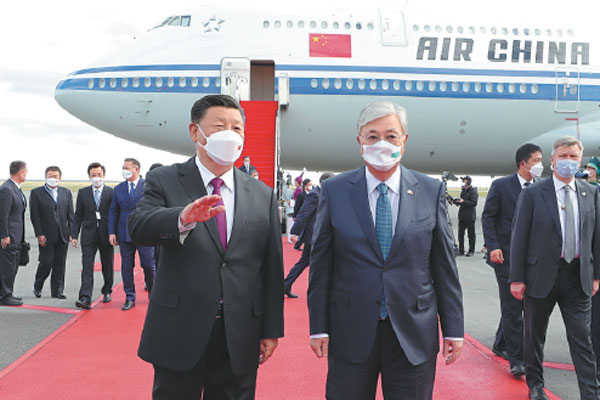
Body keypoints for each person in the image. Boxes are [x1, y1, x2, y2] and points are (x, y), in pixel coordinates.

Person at [128, 94, 284, 399]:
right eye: (219, 126)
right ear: (194, 132)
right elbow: (139, 227)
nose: (230, 134)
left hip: (238, 332)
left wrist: (270, 328)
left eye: (237, 128)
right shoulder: (165, 179)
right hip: (179, 328)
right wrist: (182, 218)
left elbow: (270, 267)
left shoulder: (261, 194)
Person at [308, 102, 464, 400]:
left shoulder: (430, 191)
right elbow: (322, 265)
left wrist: (454, 329)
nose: (382, 143)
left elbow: (444, 266)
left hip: (413, 332)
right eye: (372, 136)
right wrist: (318, 326)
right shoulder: (335, 190)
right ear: (360, 142)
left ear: (404, 140)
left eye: (391, 136)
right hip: (350, 329)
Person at [510, 136, 600, 400]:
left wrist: (597, 275)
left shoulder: (591, 193)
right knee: (535, 337)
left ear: (580, 160)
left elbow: (597, 238)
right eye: (563, 156)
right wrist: (516, 278)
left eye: (573, 157)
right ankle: (535, 386)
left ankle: (591, 393)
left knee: (582, 340)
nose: (568, 161)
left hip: (578, 278)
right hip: (540, 277)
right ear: (552, 160)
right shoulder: (532, 194)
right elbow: (519, 238)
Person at [481, 143, 543, 377]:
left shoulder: (540, 188)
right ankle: (517, 360)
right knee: (512, 306)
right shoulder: (501, 186)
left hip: (531, 258)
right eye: (536, 160)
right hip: (505, 256)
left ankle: (501, 342)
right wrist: (493, 245)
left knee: (518, 304)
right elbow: (489, 217)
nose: (540, 165)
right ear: (523, 164)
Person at [109, 158, 155, 311]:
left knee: (148, 265)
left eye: (127, 167)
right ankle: (130, 297)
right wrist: (112, 232)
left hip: (144, 231)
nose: (124, 170)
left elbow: (154, 209)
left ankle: (153, 295)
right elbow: (113, 211)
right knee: (126, 266)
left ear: (136, 169)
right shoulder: (119, 189)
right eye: (123, 167)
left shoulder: (147, 187)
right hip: (124, 233)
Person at [284, 172, 334, 298]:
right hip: (314, 236)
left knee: (305, 262)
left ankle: (286, 285)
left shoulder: (324, 194)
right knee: (316, 263)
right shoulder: (315, 195)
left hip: (320, 235)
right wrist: (294, 232)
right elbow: (303, 213)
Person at [72, 162, 114, 309]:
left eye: (99, 175)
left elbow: (115, 214)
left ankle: (107, 290)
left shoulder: (111, 192)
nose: (96, 177)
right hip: (89, 234)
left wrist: (114, 233)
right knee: (87, 266)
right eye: (93, 175)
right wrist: (74, 234)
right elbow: (78, 216)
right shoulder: (83, 193)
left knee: (107, 264)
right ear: (89, 176)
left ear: (104, 175)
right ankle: (85, 297)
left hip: (106, 234)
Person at [29, 166, 74, 299]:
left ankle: (57, 291)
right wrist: (39, 233)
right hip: (46, 235)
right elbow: (35, 216)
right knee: (46, 262)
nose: (53, 179)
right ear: (45, 177)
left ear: (60, 178)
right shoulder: (36, 193)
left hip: (62, 235)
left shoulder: (66, 193)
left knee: (60, 264)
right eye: (50, 176)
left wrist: (72, 232)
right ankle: (38, 285)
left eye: (55, 176)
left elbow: (70, 215)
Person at [0, 161, 28, 306]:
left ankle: (7, 293)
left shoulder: (16, 189)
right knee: (7, 266)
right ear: (20, 173)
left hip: (16, 235)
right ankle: (5, 296)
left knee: (12, 265)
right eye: (26, 171)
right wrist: (4, 235)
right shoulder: (7, 189)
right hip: (9, 236)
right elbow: (2, 215)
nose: (27, 174)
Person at [455, 175, 478, 256]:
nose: (463, 182)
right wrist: (455, 201)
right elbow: (461, 202)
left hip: (470, 216)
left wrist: (463, 201)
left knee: (471, 235)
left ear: (468, 181)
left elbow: (473, 203)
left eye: (464, 180)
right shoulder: (463, 191)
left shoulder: (473, 191)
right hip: (462, 216)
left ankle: (471, 251)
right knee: (460, 235)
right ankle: (461, 250)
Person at [292, 178, 312, 250]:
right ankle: (298, 244)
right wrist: (294, 216)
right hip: (302, 215)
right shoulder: (301, 195)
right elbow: (297, 206)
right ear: (305, 185)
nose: (311, 186)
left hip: (310, 216)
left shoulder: (312, 194)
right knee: (303, 231)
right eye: (310, 185)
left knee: (306, 231)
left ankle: (298, 245)